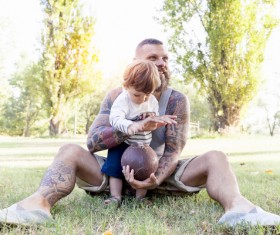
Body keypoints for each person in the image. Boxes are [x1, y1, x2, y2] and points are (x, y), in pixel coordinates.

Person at [1, 38, 280, 227]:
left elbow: (174, 150)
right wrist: (133, 127)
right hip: (114, 174)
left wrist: (155, 177)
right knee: (68, 151)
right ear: (135, 64)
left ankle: (239, 211)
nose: (162, 63)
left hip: (162, 174)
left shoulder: (176, 100)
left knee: (217, 156)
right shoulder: (115, 97)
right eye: (153, 58)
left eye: (165, 58)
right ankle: (36, 206)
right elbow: (92, 142)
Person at [102, 59, 172, 206]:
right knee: (114, 168)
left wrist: (155, 118)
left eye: (147, 94)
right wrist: (129, 126)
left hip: (143, 143)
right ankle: (116, 197)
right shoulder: (123, 100)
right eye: (137, 95)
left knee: (146, 167)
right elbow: (114, 118)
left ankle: (140, 198)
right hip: (123, 144)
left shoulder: (150, 99)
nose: (143, 99)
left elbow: (153, 114)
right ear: (126, 86)